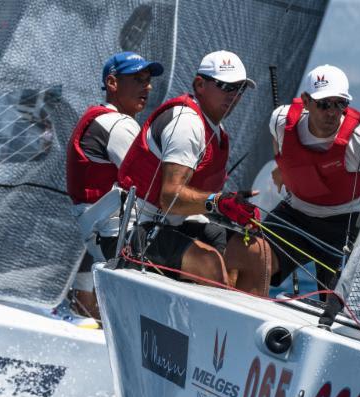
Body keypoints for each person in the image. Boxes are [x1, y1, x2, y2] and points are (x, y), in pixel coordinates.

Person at [118, 50, 270, 295]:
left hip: (174, 223)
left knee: (256, 250)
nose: (234, 95)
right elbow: (170, 197)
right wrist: (218, 203)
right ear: (199, 84)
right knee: (207, 262)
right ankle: (217, 327)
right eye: (225, 86)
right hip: (134, 227)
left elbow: (197, 200)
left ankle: (244, 327)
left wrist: (233, 206)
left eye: (240, 89)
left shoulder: (216, 130)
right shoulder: (187, 123)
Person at [264, 64, 360, 293]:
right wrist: (283, 170)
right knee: (248, 254)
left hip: (343, 223)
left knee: (337, 299)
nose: (332, 112)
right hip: (295, 214)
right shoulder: (280, 120)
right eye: (325, 104)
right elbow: (280, 149)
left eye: (340, 104)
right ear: (306, 101)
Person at [66, 51, 164, 318]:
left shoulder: (100, 118)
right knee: (205, 260)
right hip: (113, 236)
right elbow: (157, 186)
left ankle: (85, 310)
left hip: (99, 232)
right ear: (112, 83)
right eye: (138, 79)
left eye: (148, 80)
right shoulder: (117, 124)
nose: (148, 86)